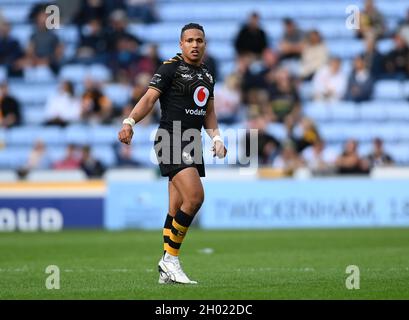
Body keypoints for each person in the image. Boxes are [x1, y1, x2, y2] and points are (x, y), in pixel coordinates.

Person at [118, 23, 227, 284]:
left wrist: (218, 137)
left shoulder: (208, 74)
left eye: (199, 40)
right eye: (189, 40)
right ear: (181, 44)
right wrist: (129, 122)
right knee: (196, 197)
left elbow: (209, 112)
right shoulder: (170, 68)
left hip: (192, 142)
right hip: (171, 138)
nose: (194, 44)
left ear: (205, 44)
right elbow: (149, 98)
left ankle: (166, 270)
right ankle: (170, 260)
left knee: (175, 207)